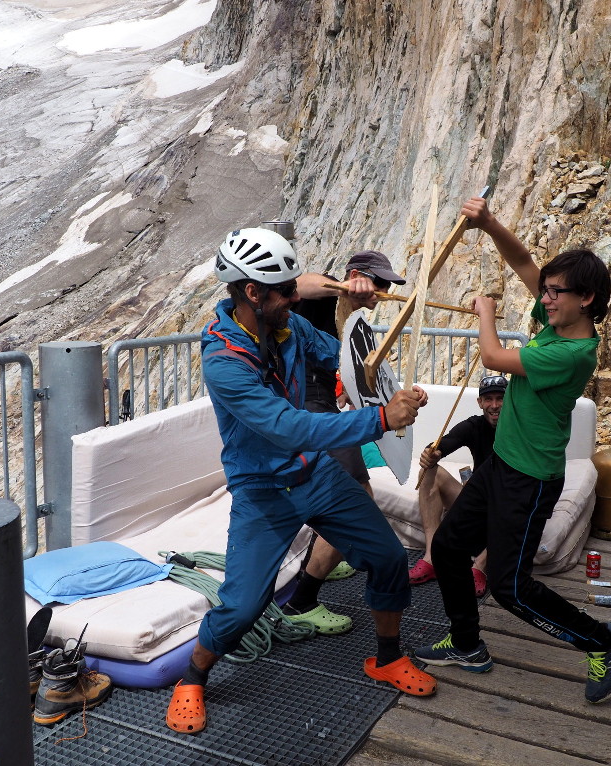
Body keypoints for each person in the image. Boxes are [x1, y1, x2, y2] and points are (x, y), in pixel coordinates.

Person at [166, 228, 437, 734]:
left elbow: (342, 356)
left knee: (386, 559)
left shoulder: (288, 327)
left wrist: (349, 304)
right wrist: (382, 421)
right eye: (284, 290)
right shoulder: (224, 362)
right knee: (243, 607)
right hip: (263, 492)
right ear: (253, 293)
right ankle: (193, 676)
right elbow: (290, 428)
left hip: (316, 476)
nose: (293, 297)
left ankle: (385, 656)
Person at [413, 197, 611, 705]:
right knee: (447, 547)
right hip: (500, 466)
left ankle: (602, 639)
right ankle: (467, 641)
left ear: (588, 299)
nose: (547, 297)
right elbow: (522, 263)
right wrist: (489, 223)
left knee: (509, 587)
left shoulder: (570, 351)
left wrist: (486, 313)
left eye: (557, 293)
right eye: (548, 291)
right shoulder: (558, 322)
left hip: (530, 480)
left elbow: (492, 355)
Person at [278, 252, 406, 636]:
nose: (381, 293)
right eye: (377, 284)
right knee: (356, 502)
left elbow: (347, 365)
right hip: (310, 408)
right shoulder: (326, 293)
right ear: (356, 277)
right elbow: (299, 284)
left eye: (385, 287)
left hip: (323, 405)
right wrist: (344, 287)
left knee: (348, 498)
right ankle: (302, 602)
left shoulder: (352, 319)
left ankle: (327, 559)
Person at [409, 375, 507, 597]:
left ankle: (480, 566)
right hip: (475, 504)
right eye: (488, 399)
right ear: (480, 403)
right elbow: (446, 441)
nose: (494, 406)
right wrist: (431, 454)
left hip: (505, 508)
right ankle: (432, 557)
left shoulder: (520, 430)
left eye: (500, 399)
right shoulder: (474, 425)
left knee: (516, 502)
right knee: (429, 470)